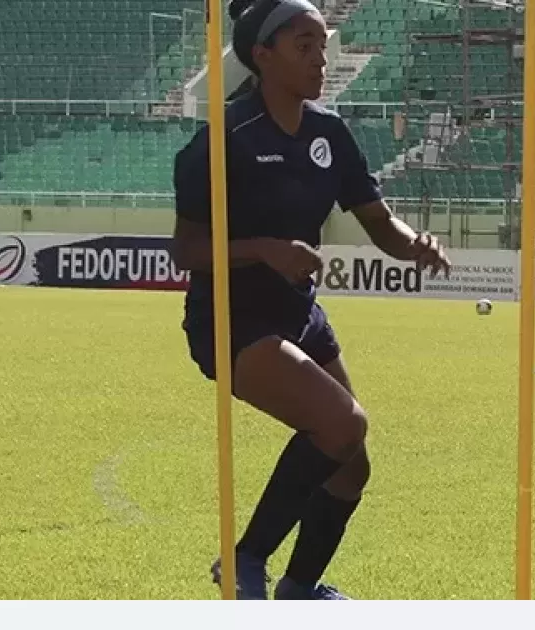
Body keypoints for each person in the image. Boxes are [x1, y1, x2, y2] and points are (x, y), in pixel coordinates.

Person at [170, 0, 451, 600]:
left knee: (352, 465)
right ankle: (245, 558)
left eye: (323, 45)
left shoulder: (330, 132)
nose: (321, 59)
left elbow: (378, 222)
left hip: (301, 314)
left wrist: (415, 245)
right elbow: (188, 250)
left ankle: (301, 590)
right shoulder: (222, 139)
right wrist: (266, 248)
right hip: (232, 319)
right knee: (342, 423)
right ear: (262, 56)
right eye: (304, 46)